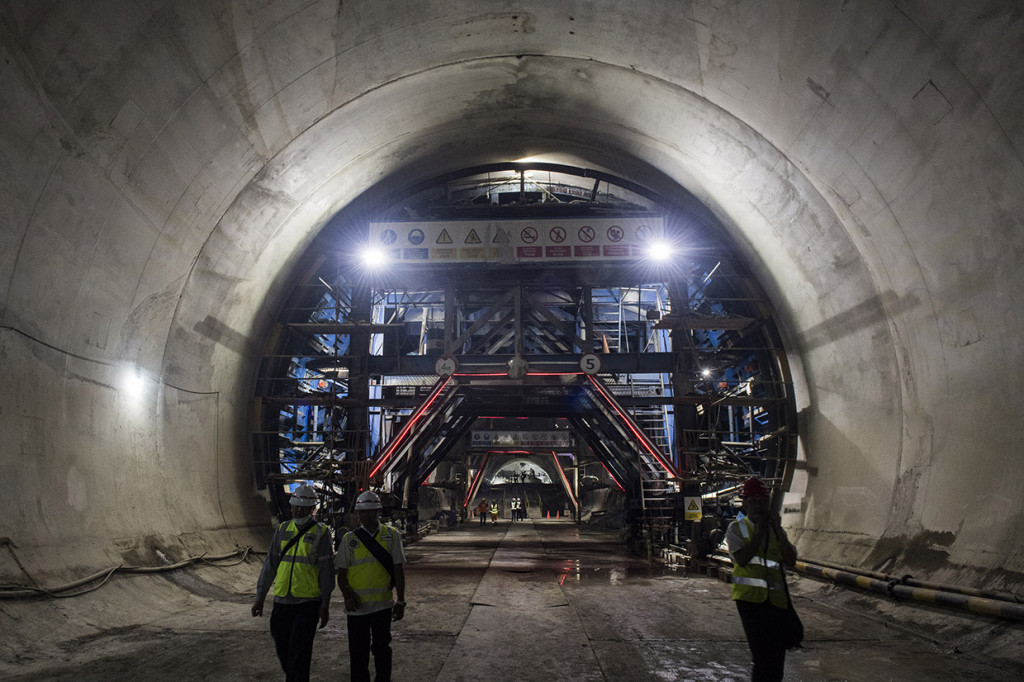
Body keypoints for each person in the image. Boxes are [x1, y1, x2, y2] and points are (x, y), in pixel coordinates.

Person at [252, 484, 334, 682]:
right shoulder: (283, 530)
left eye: (302, 506)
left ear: (312, 508)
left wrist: (324, 605)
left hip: (307, 603)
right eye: (295, 505)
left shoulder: (321, 533)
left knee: (299, 650)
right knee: (283, 646)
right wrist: (260, 597)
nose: (298, 509)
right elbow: (270, 565)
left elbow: (326, 573)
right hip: (281, 601)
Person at [726, 477, 799, 682]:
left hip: (776, 602)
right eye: (754, 501)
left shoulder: (776, 531)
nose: (759, 506)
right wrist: (758, 533)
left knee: (777, 657)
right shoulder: (736, 529)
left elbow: (790, 560)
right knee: (762, 655)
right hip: (750, 602)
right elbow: (742, 558)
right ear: (745, 503)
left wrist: (778, 531)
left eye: (763, 501)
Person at [337, 491, 407, 682]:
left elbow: (398, 570)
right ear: (357, 513)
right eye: (362, 512)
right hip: (357, 609)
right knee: (358, 654)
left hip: (382, 606)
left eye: (371, 511)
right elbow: (341, 575)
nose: (367, 516)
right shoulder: (349, 539)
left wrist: (400, 601)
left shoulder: (392, 536)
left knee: (382, 650)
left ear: (378, 511)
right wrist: (347, 596)